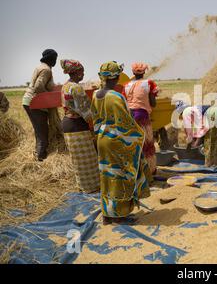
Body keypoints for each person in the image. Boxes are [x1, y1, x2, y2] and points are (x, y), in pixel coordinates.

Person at [91, 61, 151, 225]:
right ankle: (120, 214)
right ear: (116, 77)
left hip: (102, 139)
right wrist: (139, 136)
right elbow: (126, 123)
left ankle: (107, 214)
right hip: (116, 140)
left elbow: (95, 119)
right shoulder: (116, 97)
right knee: (121, 175)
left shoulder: (96, 94)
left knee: (106, 176)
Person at [60, 59, 100, 193]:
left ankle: (83, 186)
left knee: (78, 160)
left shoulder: (65, 86)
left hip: (67, 124)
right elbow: (86, 112)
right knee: (88, 158)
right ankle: (92, 187)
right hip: (77, 125)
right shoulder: (76, 88)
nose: (83, 74)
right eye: (82, 71)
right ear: (76, 73)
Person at [123, 63, 159, 175]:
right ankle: (150, 171)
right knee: (147, 145)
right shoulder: (149, 83)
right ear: (144, 72)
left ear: (133, 73)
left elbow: (124, 101)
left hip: (129, 117)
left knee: (134, 145)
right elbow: (153, 104)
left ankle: (136, 172)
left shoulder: (126, 85)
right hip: (142, 116)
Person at [22, 49, 58, 161]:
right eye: (55, 58)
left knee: (39, 130)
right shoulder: (46, 70)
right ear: (51, 58)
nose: (55, 61)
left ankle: (38, 153)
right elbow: (38, 87)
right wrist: (51, 98)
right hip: (35, 103)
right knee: (43, 132)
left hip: (28, 101)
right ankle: (41, 158)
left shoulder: (40, 67)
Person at [175, 101, 217, 167]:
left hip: (212, 115)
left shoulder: (186, 112)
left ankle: (209, 166)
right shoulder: (194, 109)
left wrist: (195, 143)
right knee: (215, 141)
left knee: (208, 143)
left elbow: (197, 130)